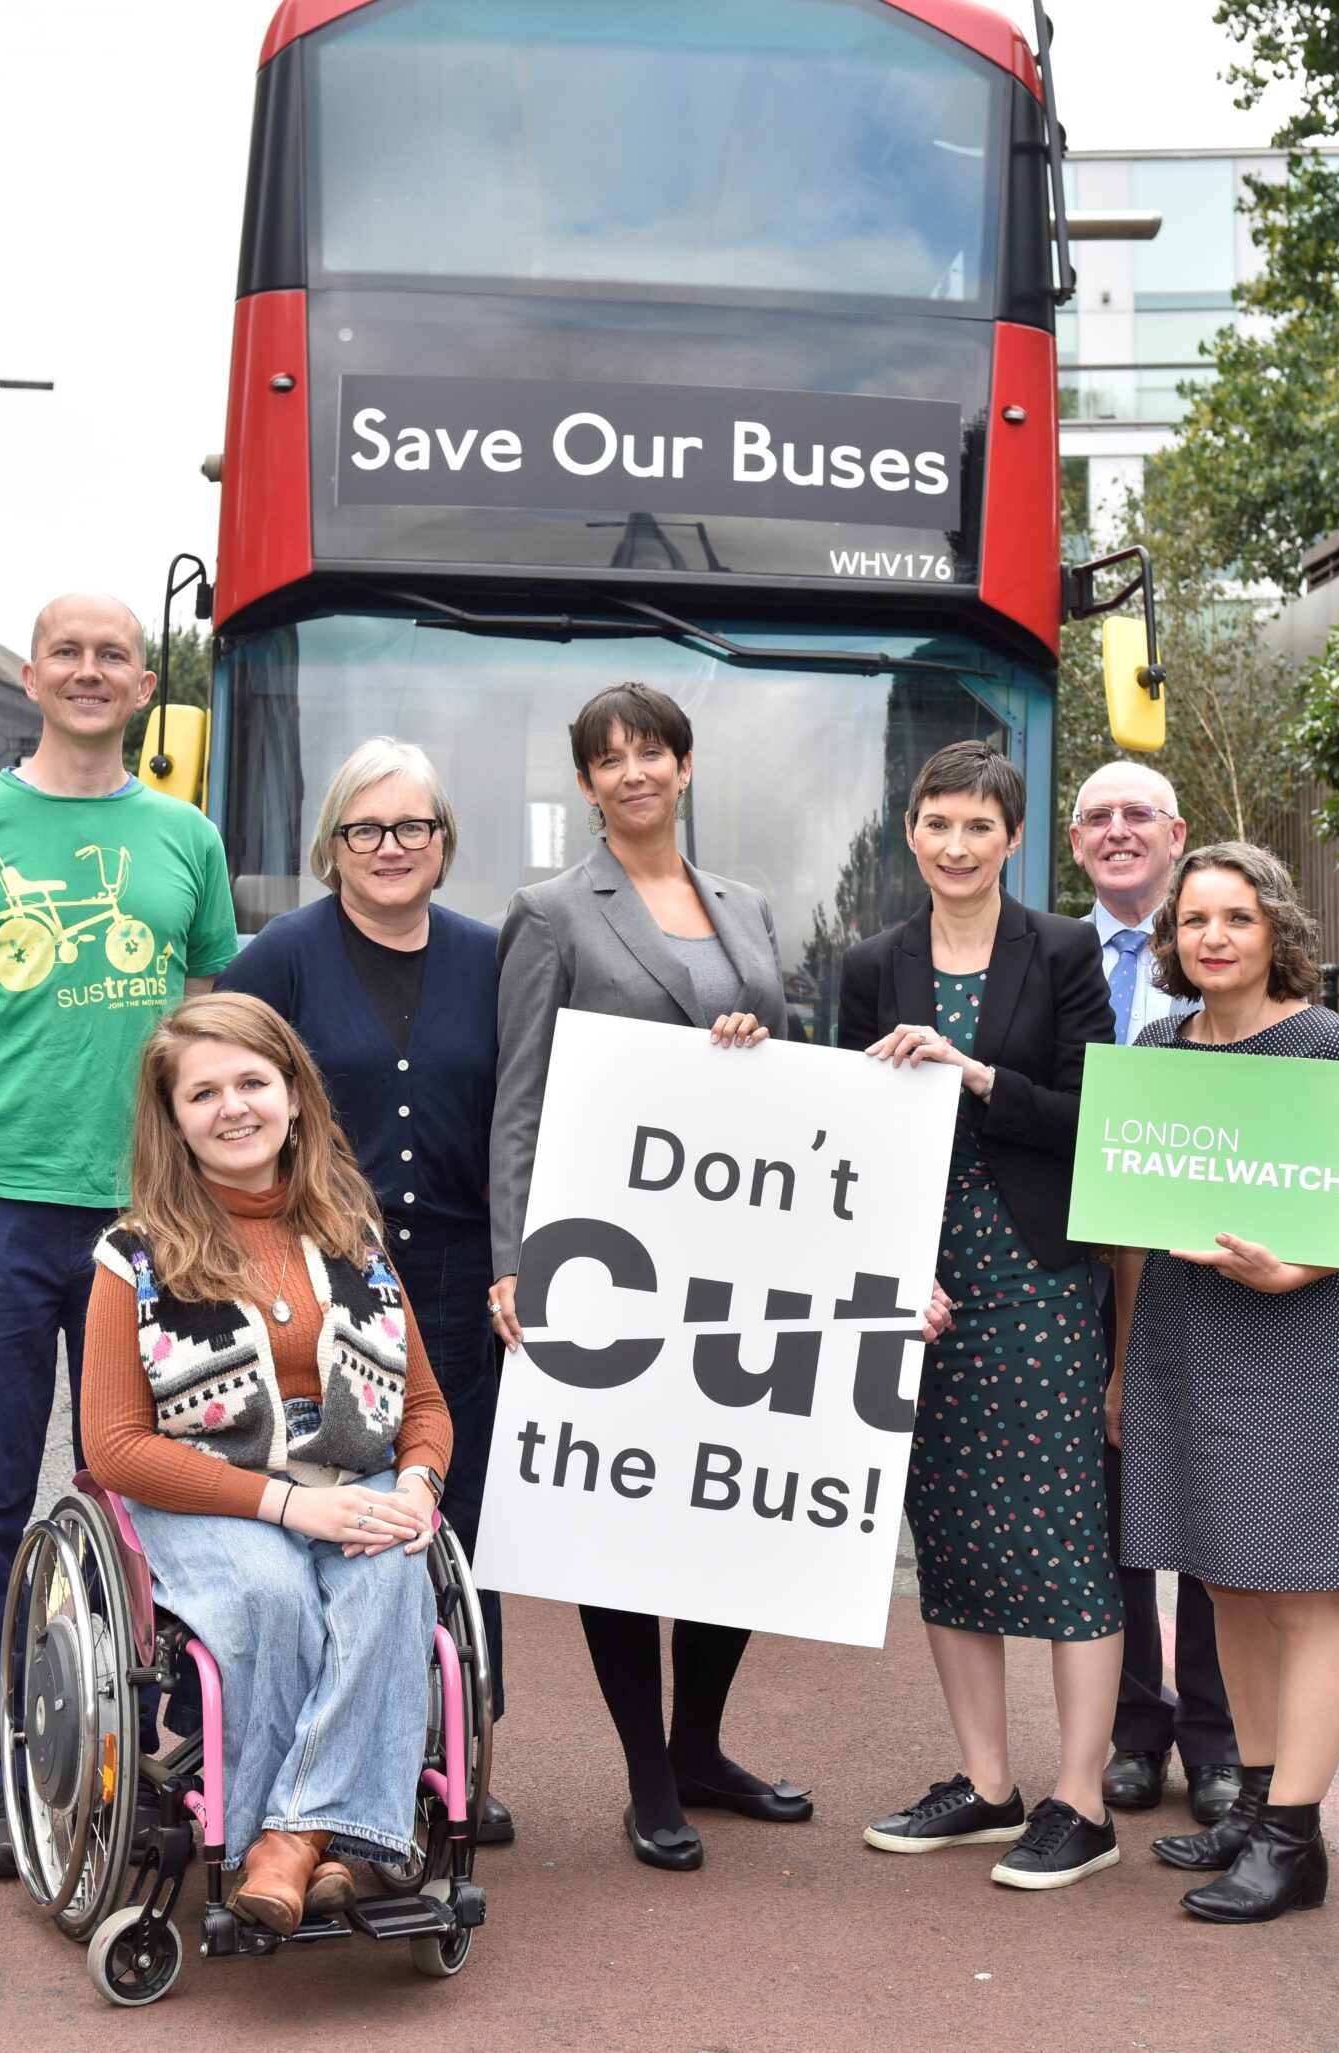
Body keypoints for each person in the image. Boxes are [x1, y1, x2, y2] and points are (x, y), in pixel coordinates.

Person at [0, 592, 241, 1879]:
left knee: (161, 1483)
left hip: (148, 1211)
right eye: (68, 654)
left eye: (112, 656)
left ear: (147, 684)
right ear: (32, 677)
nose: (90, 672)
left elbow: (205, 1021)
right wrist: (8, 1123)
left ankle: (156, 1741)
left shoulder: (185, 836)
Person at [487, 681, 806, 1872]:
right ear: (584, 785)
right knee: (623, 1514)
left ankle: (706, 1744)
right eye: (608, 759)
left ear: (684, 766)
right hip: (608, 1256)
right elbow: (518, 1098)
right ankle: (650, 1775)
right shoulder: (551, 911)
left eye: (651, 752)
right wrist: (517, 1262)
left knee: (726, 1497)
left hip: (734, 1248)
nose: (633, 773)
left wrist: (754, 1050)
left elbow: (784, 1069)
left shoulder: (748, 905)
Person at [80, 993, 450, 1933]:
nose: (234, 1106)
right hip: (200, 1485)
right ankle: (345, 1842)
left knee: (394, 1567)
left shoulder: (353, 1238)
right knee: (271, 1592)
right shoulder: (135, 1256)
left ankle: (290, 1842)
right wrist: (287, 1508)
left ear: (294, 1096)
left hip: (352, 1470)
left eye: (253, 1081)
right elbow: (116, 1448)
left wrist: (415, 1484)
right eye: (204, 1092)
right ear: (173, 1119)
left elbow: (424, 1407)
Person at [842, 740, 1127, 1890]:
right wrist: (884, 1265)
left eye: (978, 826)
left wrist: (973, 1076)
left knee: (1063, 1535)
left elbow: (1098, 1110)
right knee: (950, 1532)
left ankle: (1083, 1801)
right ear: (909, 832)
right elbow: (847, 1125)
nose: (955, 845)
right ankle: (986, 1785)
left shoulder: (1059, 950)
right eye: (935, 822)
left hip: (1041, 1271)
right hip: (925, 1284)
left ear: (1012, 838)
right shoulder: (873, 960)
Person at [220, 735, 513, 1844]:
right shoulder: (280, 960)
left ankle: (456, 1756)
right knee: (331, 1519)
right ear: (331, 843)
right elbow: (214, 1093)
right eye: (366, 829)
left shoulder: (494, 957)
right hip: (311, 1281)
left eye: (412, 829)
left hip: (456, 1276)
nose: (390, 849)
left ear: (443, 846)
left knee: (456, 1521)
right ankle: (320, 1757)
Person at [1110, 841, 1339, 1924]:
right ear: (1172, 939)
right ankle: (1254, 1795)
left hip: (1281, 1342)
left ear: (1276, 927)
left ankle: (1294, 1838)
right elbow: (1132, 1236)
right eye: (1194, 921)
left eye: (1235, 917)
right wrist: (1127, 1365)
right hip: (1181, 1344)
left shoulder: (1323, 1043)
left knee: (1299, 1588)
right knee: (1226, 1577)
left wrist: (1297, 1266)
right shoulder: (1155, 1045)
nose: (1213, 937)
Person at [1068, 760, 1240, 1826]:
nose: (1119, 830)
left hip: (1206, 1272)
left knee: (1217, 1503)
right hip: (1080, 1271)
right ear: (1077, 842)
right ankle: (1136, 1728)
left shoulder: (1226, 947)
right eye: (1098, 817)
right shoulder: (1041, 953)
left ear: (1175, 835)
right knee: (1112, 1503)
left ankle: (1216, 1736)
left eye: (1138, 814)